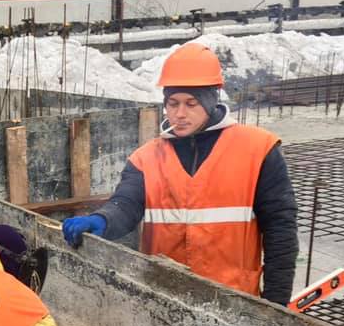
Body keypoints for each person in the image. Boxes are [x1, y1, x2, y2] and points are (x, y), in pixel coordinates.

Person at [62, 42, 299, 305]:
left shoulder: (258, 151)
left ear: (210, 102)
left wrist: (276, 305)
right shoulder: (146, 158)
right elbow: (127, 204)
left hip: (233, 302)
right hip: (165, 299)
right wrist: (103, 219)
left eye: (191, 103)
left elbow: (281, 231)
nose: (180, 114)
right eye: (172, 103)